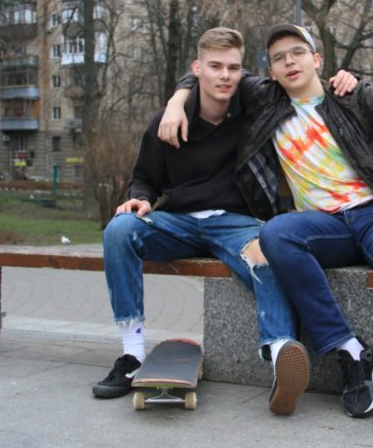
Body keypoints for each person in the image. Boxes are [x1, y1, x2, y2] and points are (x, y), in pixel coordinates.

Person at [161, 24, 373, 438]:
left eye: (297, 53)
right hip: (323, 226)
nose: (289, 62)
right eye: (278, 58)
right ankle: (351, 352)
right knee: (276, 234)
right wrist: (178, 101)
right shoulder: (265, 98)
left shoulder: (353, 96)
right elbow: (213, 70)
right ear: (269, 71)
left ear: (317, 60)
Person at [93, 26, 357, 417]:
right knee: (119, 230)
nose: (224, 76)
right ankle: (132, 356)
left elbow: (302, 81)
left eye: (233, 67)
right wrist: (141, 199)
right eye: (215, 66)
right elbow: (145, 178)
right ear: (197, 68)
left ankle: (281, 352)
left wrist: (350, 80)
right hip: (176, 222)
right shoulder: (167, 121)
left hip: (236, 222)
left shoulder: (253, 112)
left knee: (267, 252)